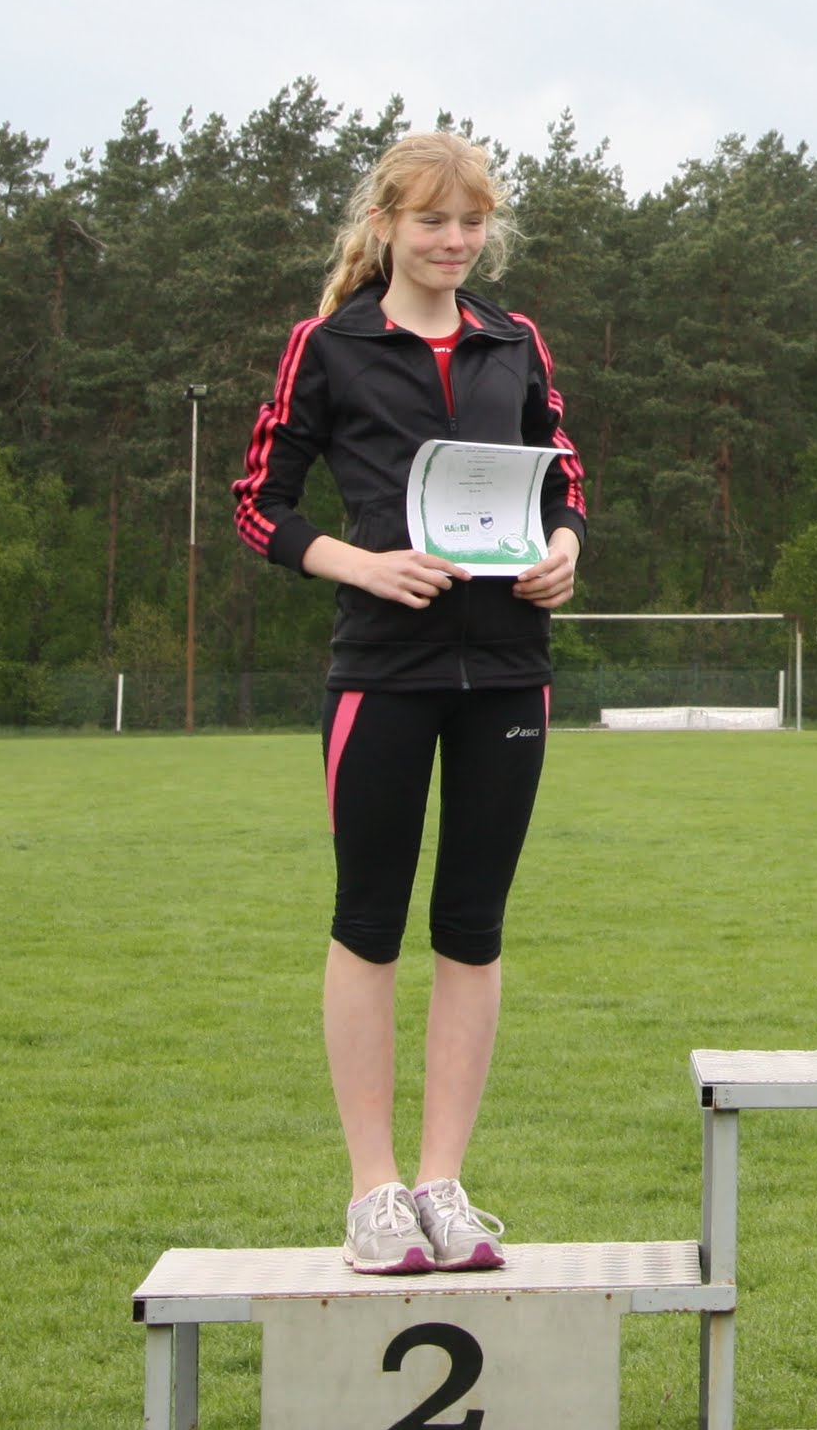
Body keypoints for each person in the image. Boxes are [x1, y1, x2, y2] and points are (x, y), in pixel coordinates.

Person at [232, 132, 585, 1273]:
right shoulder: (327, 345)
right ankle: (374, 1191)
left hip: (510, 670)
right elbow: (259, 501)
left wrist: (565, 548)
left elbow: (562, 472)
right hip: (381, 670)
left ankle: (442, 1182)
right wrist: (364, 565)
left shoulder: (513, 340)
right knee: (368, 923)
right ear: (384, 224)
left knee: (473, 928)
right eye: (432, 220)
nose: (454, 240)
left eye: (472, 221)